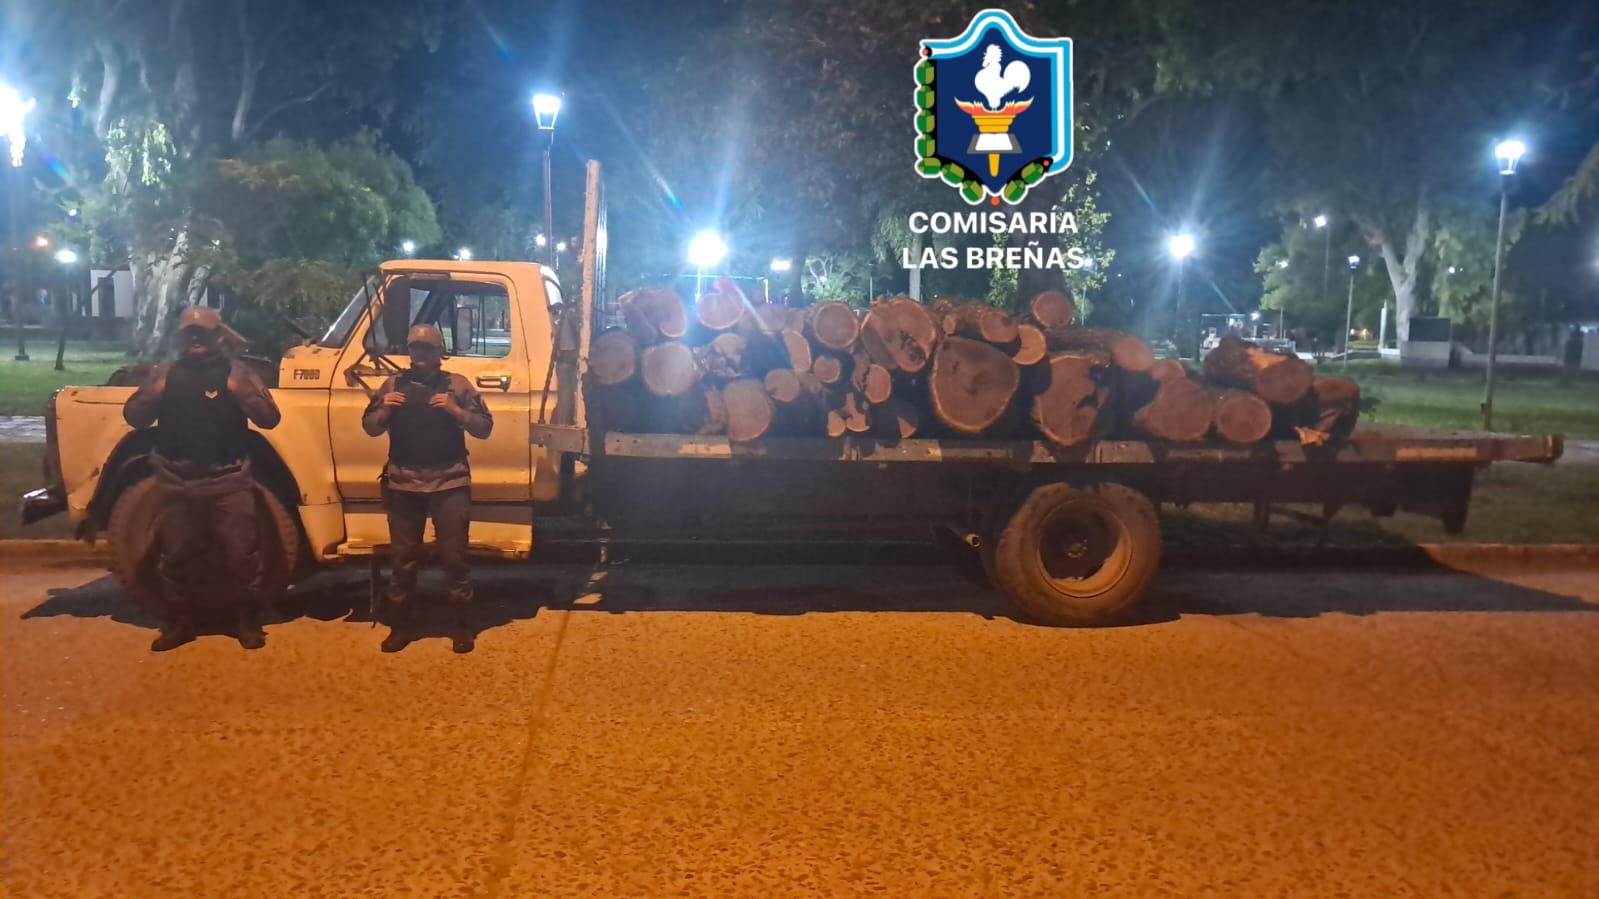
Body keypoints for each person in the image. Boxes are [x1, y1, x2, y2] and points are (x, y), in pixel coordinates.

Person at [123, 306, 282, 651]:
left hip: (228, 480)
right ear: (181, 337)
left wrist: (244, 392)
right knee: (176, 556)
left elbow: (270, 419)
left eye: (203, 332)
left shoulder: (238, 373)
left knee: (242, 555)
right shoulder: (165, 373)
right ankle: (179, 623)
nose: (196, 338)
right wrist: (151, 395)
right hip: (177, 480)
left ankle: (247, 620)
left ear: (217, 336)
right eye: (189, 333)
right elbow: (133, 417)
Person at [362, 324, 493, 653]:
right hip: (404, 481)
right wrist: (386, 408)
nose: (419, 355)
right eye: (414, 348)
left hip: (450, 481)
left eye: (427, 349)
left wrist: (455, 410)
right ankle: (400, 626)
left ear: (439, 353)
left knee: (455, 558)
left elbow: (484, 428)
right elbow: (370, 427)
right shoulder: (392, 384)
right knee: (403, 560)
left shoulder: (457, 385)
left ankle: (461, 625)